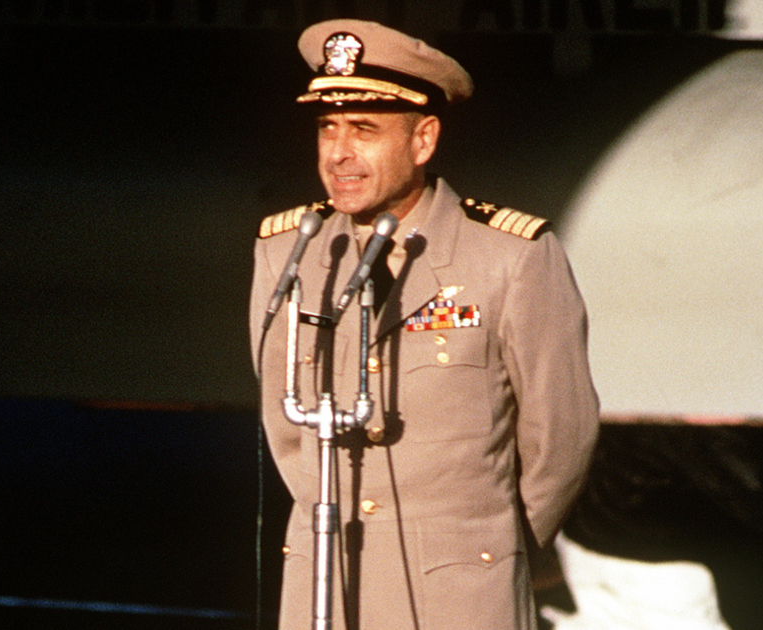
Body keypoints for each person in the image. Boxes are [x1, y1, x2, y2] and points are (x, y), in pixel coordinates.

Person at [249, 19, 599, 630]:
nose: (338, 153)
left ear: (423, 139)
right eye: (327, 128)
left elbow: (560, 439)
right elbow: (286, 429)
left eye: (364, 130)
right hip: (325, 580)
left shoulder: (511, 256)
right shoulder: (289, 251)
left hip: (458, 591)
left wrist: (488, 548)